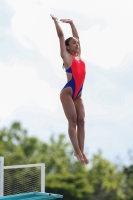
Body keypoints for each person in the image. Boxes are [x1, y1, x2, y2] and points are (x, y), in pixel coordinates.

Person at [50, 14, 89, 165]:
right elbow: (61, 36)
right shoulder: (67, 57)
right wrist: (56, 22)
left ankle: (82, 150)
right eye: (73, 43)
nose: (77, 44)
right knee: (72, 121)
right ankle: (76, 151)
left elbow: (76, 36)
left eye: (77, 43)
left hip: (78, 95)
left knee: (82, 120)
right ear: (67, 47)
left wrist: (72, 22)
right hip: (68, 92)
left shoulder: (79, 56)